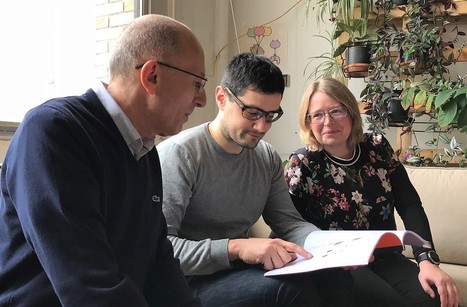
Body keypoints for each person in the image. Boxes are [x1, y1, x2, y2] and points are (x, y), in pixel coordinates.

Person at [0, 14, 207, 306]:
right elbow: (88, 288)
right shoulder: (53, 132)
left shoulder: (143, 151)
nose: (202, 100)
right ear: (152, 76)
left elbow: (159, 262)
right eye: (197, 83)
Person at [156, 53, 355, 307]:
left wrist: (333, 248)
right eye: (252, 113)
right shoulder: (180, 155)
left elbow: (290, 224)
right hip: (186, 282)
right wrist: (238, 248)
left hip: (238, 271)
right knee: (288, 292)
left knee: (335, 276)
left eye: (270, 115)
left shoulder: (266, 156)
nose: (261, 126)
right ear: (221, 98)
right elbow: (161, 248)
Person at [284, 77, 461, 307]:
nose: (327, 122)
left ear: (351, 113)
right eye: (317, 115)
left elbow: (409, 205)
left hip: (387, 257)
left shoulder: (377, 147)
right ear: (307, 122)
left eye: (336, 111)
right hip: (339, 266)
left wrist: (425, 259)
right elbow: (288, 226)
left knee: (434, 297)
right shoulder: (302, 164)